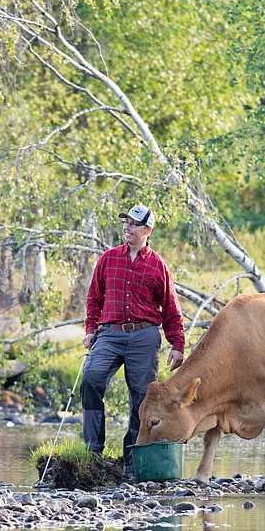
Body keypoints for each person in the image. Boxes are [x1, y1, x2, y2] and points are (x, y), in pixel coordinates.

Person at [82, 204, 185, 477]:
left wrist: (177, 345)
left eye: (133, 223)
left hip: (144, 336)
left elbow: (171, 308)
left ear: (147, 230)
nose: (127, 227)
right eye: (125, 222)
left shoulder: (157, 266)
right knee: (91, 377)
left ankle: (131, 461)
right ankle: (93, 450)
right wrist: (90, 329)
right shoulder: (108, 259)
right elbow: (94, 298)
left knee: (141, 398)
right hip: (110, 334)